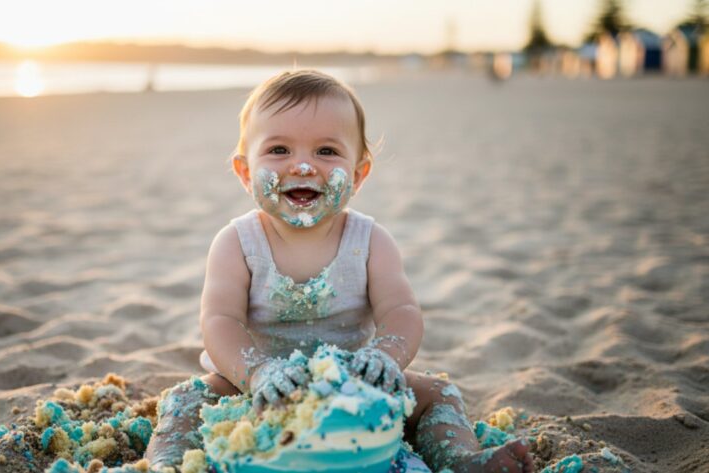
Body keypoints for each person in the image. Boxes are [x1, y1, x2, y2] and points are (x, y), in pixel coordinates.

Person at [144, 69, 534, 473]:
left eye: (326, 152)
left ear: (359, 174)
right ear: (245, 172)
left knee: (439, 393)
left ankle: (459, 459)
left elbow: (401, 311)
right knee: (186, 401)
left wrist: (384, 356)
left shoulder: (370, 242)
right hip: (255, 389)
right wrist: (257, 372)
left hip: (355, 384)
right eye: (278, 149)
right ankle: (170, 466)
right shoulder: (237, 243)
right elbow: (219, 320)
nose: (302, 166)